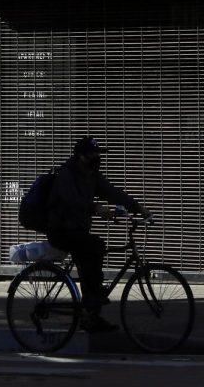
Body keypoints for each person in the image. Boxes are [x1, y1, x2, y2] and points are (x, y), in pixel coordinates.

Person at [46, 136, 148, 333]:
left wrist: (137, 207)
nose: (97, 158)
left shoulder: (92, 175)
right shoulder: (66, 174)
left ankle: (91, 315)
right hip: (61, 230)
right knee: (96, 246)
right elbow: (72, 201)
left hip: (78, 231)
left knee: (91, 261)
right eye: (93, 154)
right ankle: (93, 299)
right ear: (81, 156)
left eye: (98, 154)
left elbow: (111, 192)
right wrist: (96, 208)